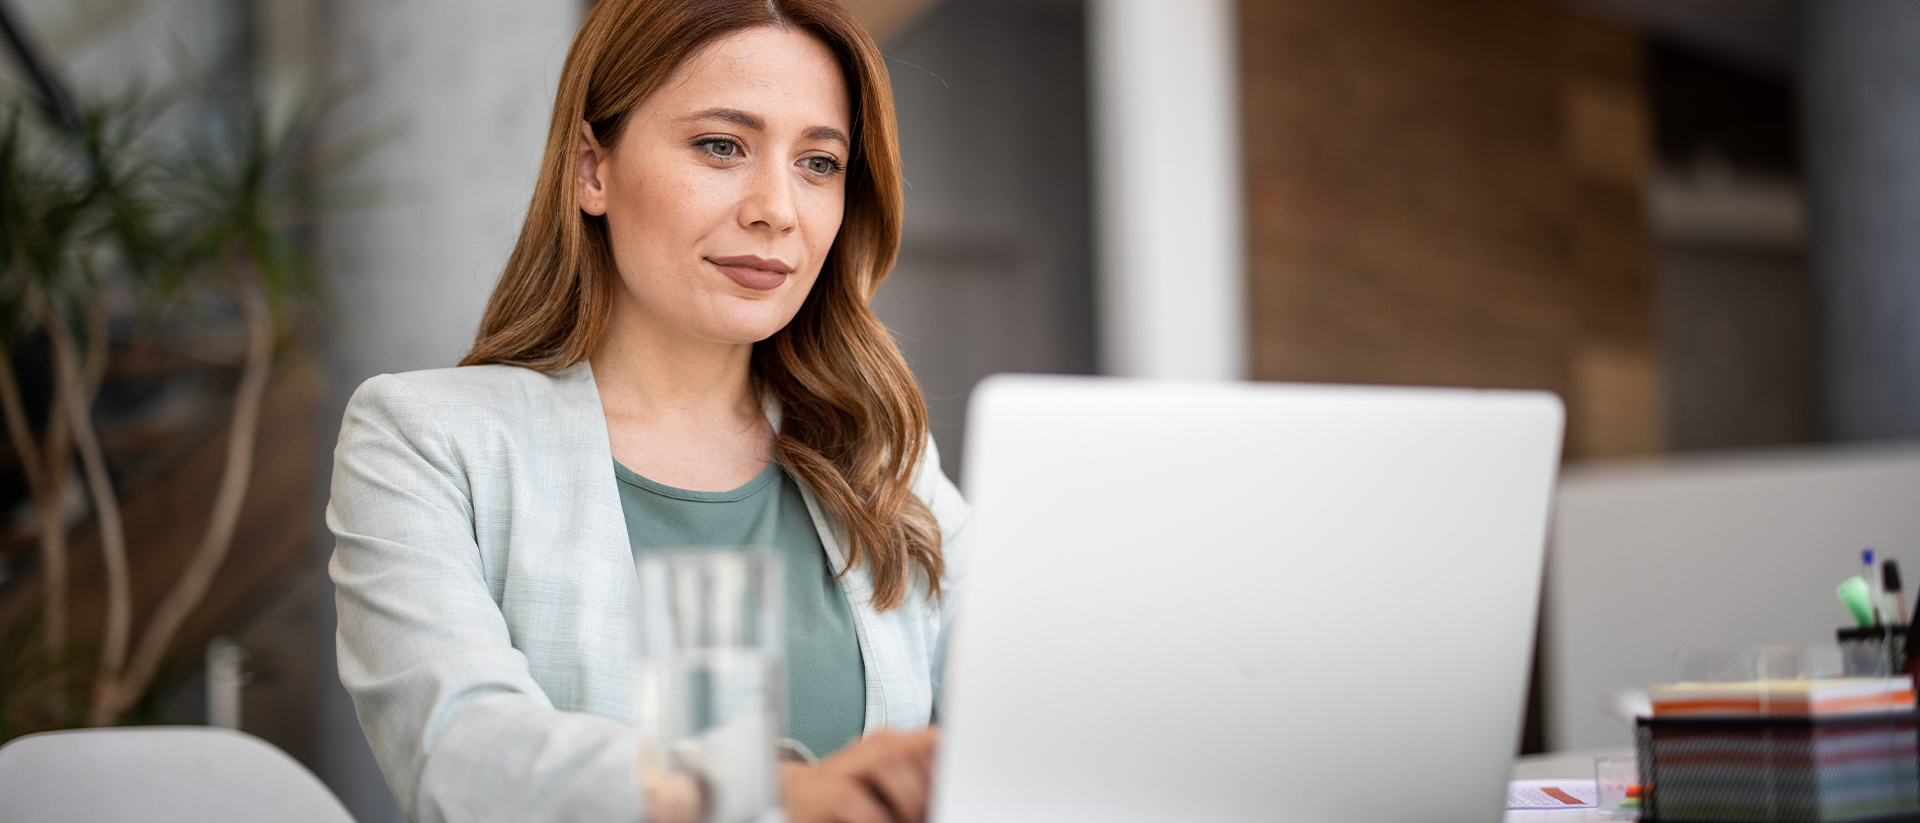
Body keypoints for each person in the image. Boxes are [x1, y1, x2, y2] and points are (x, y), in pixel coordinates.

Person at [326, 2, 967, 821]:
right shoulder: (424, 439)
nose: (778, 207)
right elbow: (460, 750)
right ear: (593, 168)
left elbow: (1032, 698)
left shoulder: (880, 457)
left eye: (818, 162)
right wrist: (765, 791)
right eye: (721, 145)